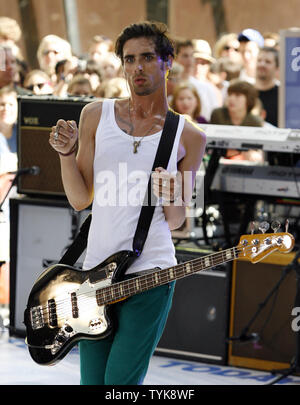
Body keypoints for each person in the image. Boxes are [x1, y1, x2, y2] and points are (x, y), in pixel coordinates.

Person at [49, 21, 206, 385]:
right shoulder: (95, 114)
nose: (137, 67)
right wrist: (67, 155)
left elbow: (178, 220)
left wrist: (172, 194)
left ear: (167, 63)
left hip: (150, 271)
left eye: (148, 57)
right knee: (93, 382)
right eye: (129, 59)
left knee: (120, 383)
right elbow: (79, 199)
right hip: (93, 274)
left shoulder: (188, 135)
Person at [210, 79, 263, 162]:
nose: (231, 98)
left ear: (248, 99)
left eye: (237, 95)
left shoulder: (255, 121)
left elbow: (255, 149)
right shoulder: (218, 114)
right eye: (230, 94)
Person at [254, 46, 279, 127]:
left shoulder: (283, 96)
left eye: (267, 62)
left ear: (277, 67)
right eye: (259, 60)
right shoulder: (246, 92)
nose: (262, 64)